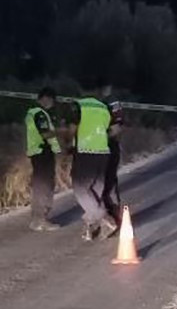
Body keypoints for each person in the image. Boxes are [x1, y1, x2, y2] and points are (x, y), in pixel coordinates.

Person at [69, 82, 118, 241]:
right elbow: (114, 130)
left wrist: (68, 144)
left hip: (85, 152)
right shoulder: (104, 107)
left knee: (81, 189)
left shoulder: (78, 106)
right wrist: (100, 138)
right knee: (96, 191)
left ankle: (105, 219)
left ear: (81, 90)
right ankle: (91, 227)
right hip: (103, 152)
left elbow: (72, 129)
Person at [25, 87, 62, 232]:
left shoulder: (32, 112)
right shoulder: (39, 114)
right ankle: (41, 220)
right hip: (42, 153)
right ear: (46, 98)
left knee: (40, 185)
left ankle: (37, 219)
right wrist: (60, 131)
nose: (52, 104)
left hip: (37, 153)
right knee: (44, 186)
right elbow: (45, 134)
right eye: (52, 100)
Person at [102, 99, 124, 226]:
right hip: (92, 151)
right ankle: (99, 217)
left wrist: (99, 136)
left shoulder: (113, 104)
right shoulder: (85, 104)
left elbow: (116, 129)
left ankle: (115, 215)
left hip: (109, 149)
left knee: (109, 182)